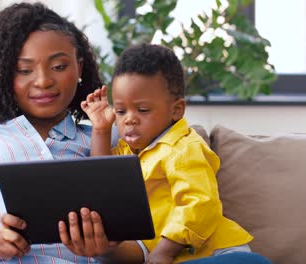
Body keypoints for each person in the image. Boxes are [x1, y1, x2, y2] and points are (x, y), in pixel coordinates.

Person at [0, 2, 147, 263]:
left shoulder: (109, 138)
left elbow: (147, 243)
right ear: (2, 74)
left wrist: (106, 248)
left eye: (59, 67)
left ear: (79, 67)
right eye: (24, 70)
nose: (43, 81)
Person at [81, 44, 271, 264]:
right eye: (121, 111)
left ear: (176, 110)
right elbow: (104, 179)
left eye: (142, 110)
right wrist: (101, 130)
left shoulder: (183, 148)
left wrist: (166, 250)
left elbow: (200, 204)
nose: (129, 119)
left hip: (215, 253)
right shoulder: (128, 150)